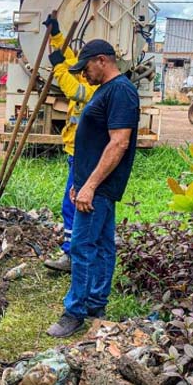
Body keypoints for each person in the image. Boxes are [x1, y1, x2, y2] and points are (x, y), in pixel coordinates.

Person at [46, 39, 140, 338]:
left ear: (102, 60)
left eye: (85, 67)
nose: (83, 74)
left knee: (82, 247)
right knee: (101, 245)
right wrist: (79, 182)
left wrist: (90, 186)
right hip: (91, 184)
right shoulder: (107, 90)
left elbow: (119, 142)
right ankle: (96, 306)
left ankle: (74, 313)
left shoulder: (121, 91)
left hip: (98, 188)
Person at [42, 15, 99, 272]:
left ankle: (72, 255)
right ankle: (79, 251)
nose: (83, 71)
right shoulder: (87, 76)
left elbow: (74, 90)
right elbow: (71, 61)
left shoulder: (96, 90)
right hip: (77, 152)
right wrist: (56, 35)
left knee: (72, 203)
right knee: (76, 204)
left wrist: (58, 69)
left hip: (84, 154)